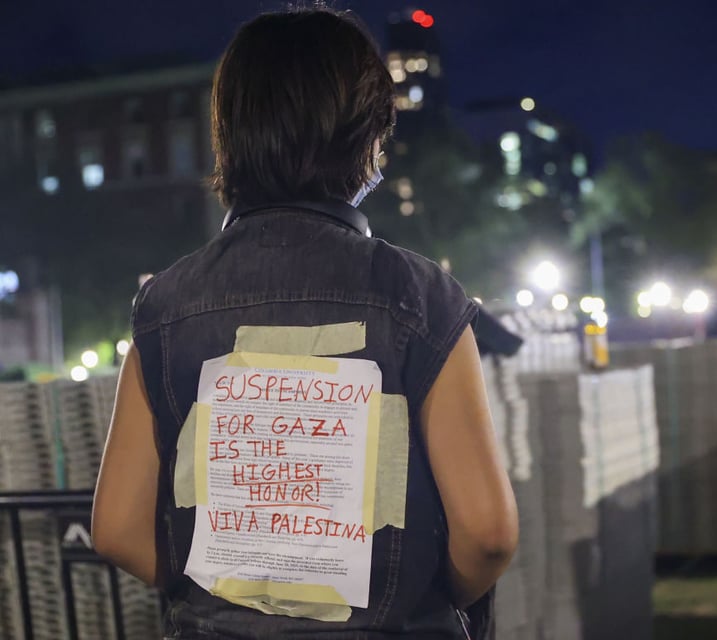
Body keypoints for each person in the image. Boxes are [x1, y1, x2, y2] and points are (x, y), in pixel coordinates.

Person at [92, 7, 518, 639]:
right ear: (370, 135)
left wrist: (221, 595)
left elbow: (117, 530)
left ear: (229, 132)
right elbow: (487, 534)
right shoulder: (419, 296)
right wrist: (419, 598)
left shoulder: (165, 306)